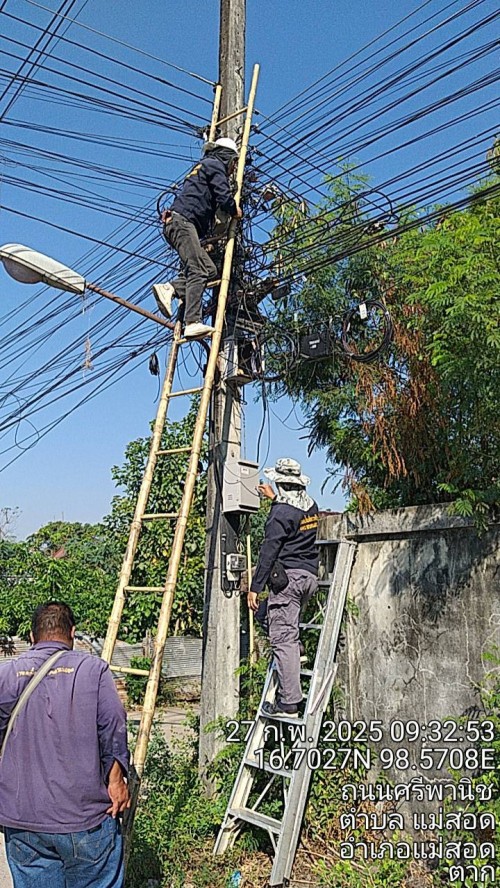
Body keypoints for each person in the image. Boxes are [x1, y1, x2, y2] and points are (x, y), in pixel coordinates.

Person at [0, 601, 130, 888]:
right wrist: (117, 779)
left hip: (23, 821)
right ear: (72, 633)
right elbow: (114, 724)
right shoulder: (92, 670)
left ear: (32, 637)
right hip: (84, 817)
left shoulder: (6, 675)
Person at [248, 458, 319, 718]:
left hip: (287, 581)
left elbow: (270, 551)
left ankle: (289, 703)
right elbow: (291, 515)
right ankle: (296, 650)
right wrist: (273, 499)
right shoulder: (310, 506)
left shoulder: (280, 514)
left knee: (282, 639)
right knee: (265, 614)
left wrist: (255, 586)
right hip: (308, 578)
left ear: (280, 482)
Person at [153, 136, 243, 340]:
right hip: (183, 224)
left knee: (209, 269)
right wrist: (234, 209)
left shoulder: (204, 166)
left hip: (180, 225)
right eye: (234, 162)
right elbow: (223, 195)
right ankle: (192, 322)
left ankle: (171, 288)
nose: (233, 168)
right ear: (227, 157)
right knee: (199, 269)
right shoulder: (214, 165)